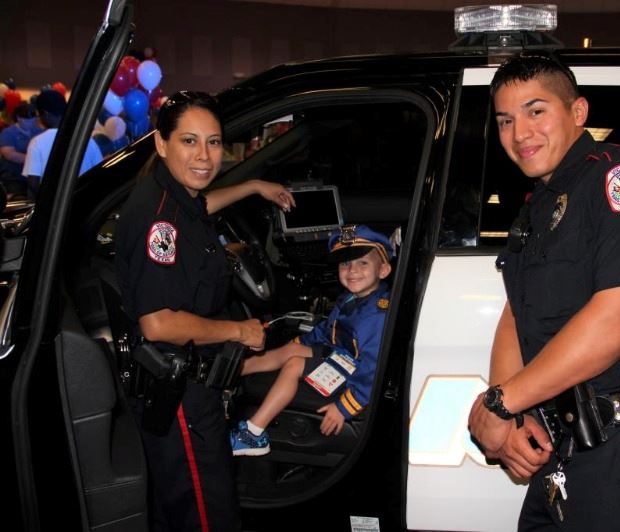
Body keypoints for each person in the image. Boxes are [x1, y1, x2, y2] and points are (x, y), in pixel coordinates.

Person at [467, 54, 620, 531]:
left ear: (578, 113)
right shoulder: (536, 208)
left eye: (537, 112)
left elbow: (617, 322)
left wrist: (500, 405)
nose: (520, 134)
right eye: (506, 120)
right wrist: (511, 411)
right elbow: (519, 314)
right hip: (565, 441)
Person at [114, 90, 295, 532]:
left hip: (194, 388)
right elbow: (158, 323)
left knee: (181, 507)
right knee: (205, 513)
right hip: (180, 395)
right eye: (189, 142)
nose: (204, 155)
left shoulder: (172, 193)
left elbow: (200, 208)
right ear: (161, 143)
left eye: (213, 142)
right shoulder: (158, 222)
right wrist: (238, 331)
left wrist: (253, 186)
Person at [230, 224, 393, 456]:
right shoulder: (349, 299)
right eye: (345, 263)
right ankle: (234, 371)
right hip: (339, 355)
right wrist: (299, 343)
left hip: (354, 372)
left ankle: (253, 434)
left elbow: (372, 371)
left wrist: (343, 407)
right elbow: (327, 331)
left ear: (384, 270)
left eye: (363, 263)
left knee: (294, 363)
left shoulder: (377, 316)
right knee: (291, 350)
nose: (352, 270)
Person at [22, 89, 103, 199]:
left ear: (46, 114)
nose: (39, 118)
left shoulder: (37, 142)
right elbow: (100, 174)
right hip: (85, 206)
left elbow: (33, 184)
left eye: (38, 114)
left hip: (54, 210)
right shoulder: (88, 140)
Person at [0, 103, 43, 198]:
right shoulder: (9, 133)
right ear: (18, 118)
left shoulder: (38, 131)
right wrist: (34, 158)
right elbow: (10, 154)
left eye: (33, 120)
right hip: (14, 176)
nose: (31, 123)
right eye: (27, 120)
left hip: (33, 176)